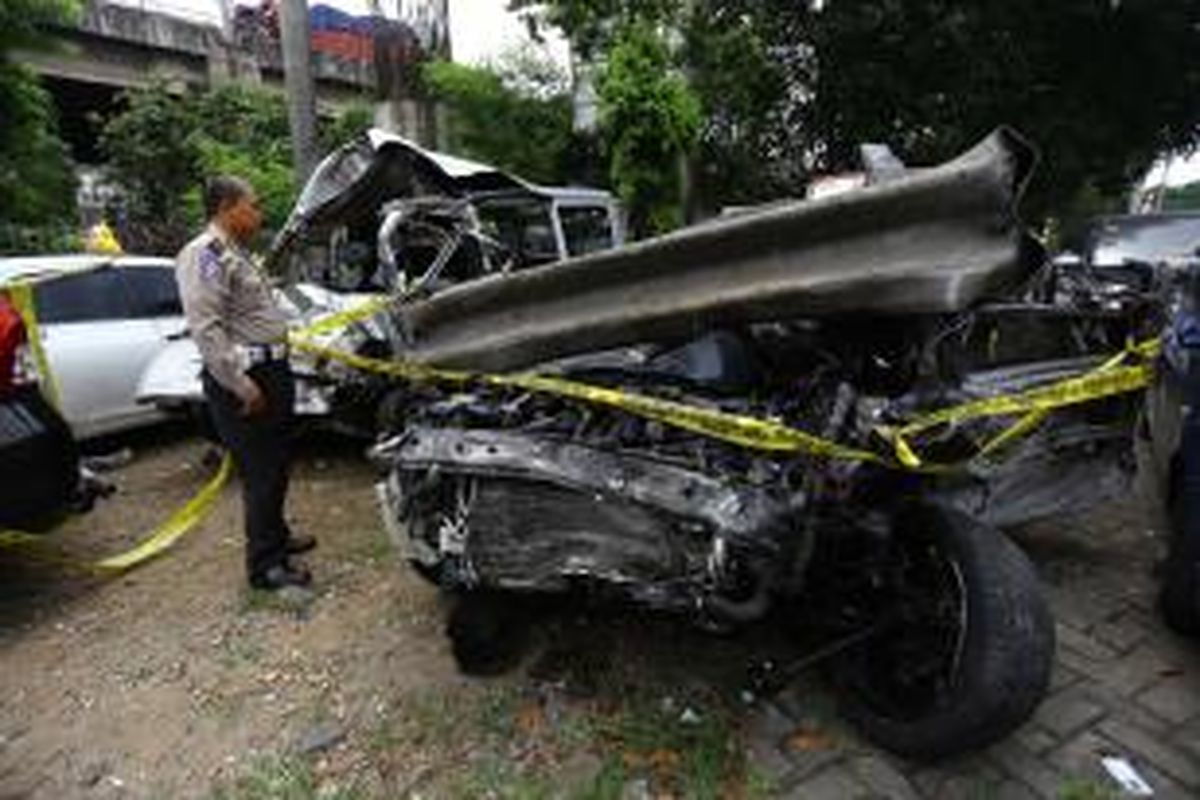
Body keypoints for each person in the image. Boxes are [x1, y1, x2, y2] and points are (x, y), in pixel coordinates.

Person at [176, 175, 315, 590]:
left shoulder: (235, 253)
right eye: (252, 205)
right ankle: (266, 567)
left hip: (271, 372)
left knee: (277, 463)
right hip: (246, 380)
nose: (258, 212)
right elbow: (206, 327)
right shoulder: (205, 255)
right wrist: (239, 384)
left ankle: (278, 538)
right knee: (262, 473)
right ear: (226, 208)